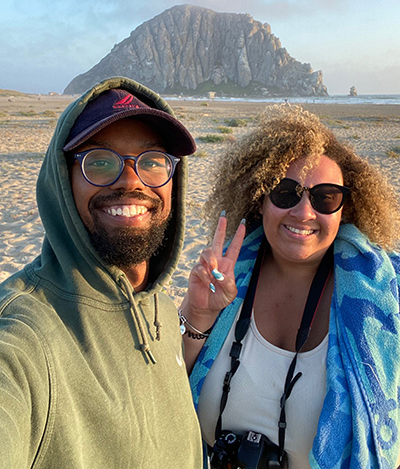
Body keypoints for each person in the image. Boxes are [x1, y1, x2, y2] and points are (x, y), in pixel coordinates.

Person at [179, 105, 400, 469]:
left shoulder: (382, 299)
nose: (303, 212)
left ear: (346, 208)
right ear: (260, 200)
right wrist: (199, 313)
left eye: (325, 197)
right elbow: (167, 384)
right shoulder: (225, 277)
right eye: (285, 192)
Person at [0, 77, 203, 468]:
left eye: (154, 162)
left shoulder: (156, 301)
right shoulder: (26, 335)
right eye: (99, 162)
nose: (130, 180)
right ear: (63, 180)